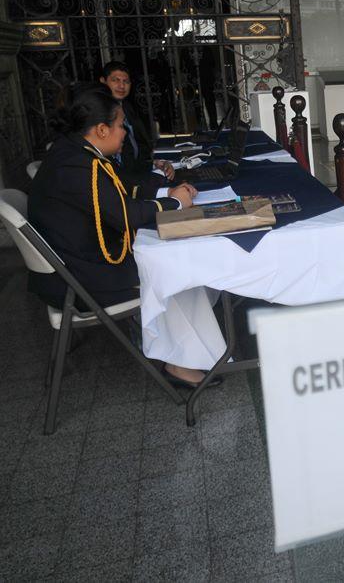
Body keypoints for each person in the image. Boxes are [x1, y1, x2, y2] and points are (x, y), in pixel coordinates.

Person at [28, 84, 219, 389]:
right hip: (80, 281)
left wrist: (165, 193)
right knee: (178, 268)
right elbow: (125, 215)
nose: (124, 133)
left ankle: (184, 346)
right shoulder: (80, 165)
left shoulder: (73, 151)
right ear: (101, 129)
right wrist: (175, 203)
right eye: (120, 126)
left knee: (175, 256)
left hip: (72, 267)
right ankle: (181, 363)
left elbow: (115, 191)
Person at [99, 61, 175, 184]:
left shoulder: (128, 108)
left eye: (126, 82)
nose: (121, 86)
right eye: (115, 80)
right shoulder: (100, 115)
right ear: (103, 81)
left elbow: (137, 149)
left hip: (138, 177)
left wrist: (153, 164)